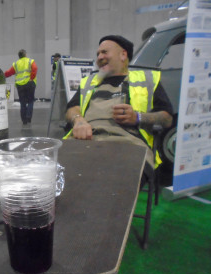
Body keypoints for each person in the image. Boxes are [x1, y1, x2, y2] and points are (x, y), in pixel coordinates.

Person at [65, 35, 173, 172]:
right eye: (98, 54)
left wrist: (137, 117)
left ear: (123, 55)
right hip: (86, 141)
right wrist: (78, 120)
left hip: (129, 145)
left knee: (113, 183)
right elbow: (72, 108)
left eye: (104, 52)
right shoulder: (88, 82)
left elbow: (167, 118)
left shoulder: (147, 80)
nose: (99, 57)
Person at [5, 49, 37, 125]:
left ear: (19, 56)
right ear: (25, 54)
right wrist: (31, 78)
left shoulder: (16, 64)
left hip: (20, 85)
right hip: (29, 84)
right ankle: (28, 117)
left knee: (22, 103)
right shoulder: (30, 61)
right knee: (30, 101)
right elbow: (35, 68)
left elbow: (9, 72)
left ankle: (24, 120)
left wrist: (2, 75)